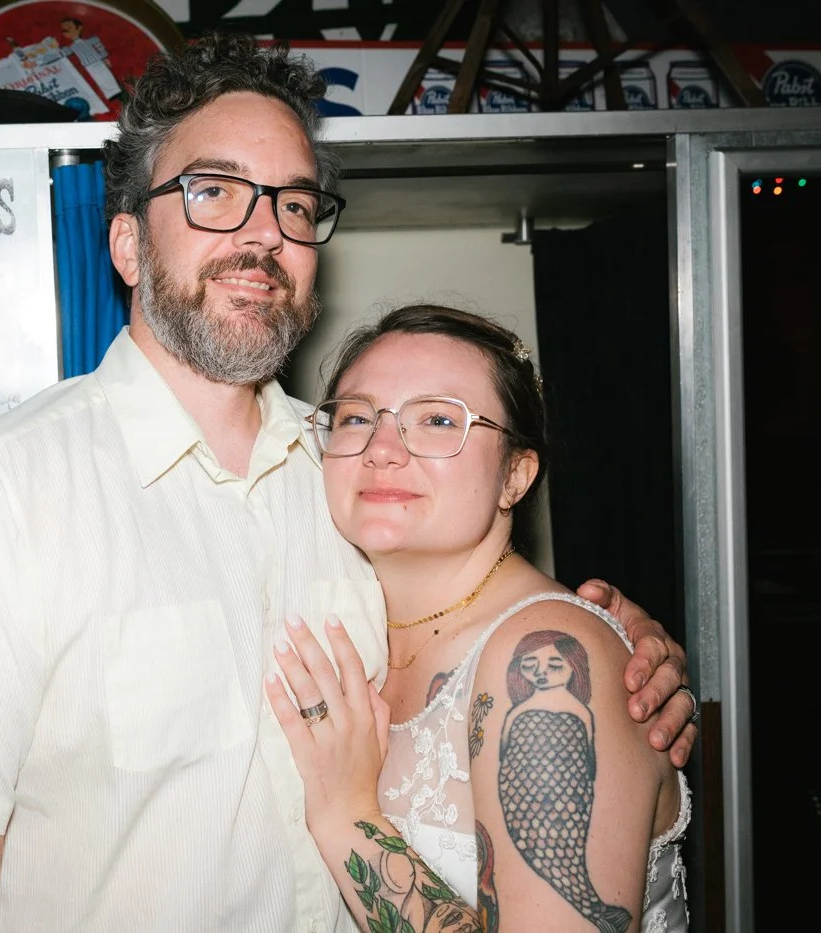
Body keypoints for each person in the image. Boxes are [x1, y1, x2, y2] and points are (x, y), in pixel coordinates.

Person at [0, 35, 696, 932]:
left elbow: (489, 638)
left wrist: (621, 658)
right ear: (127, 244)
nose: (262, 233)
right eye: (213, 193)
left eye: (293, 203)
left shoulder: (354, 478)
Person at [267, 305, 690, 932]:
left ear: (515, 475)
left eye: (438, 420)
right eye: (357, 418)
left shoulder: (545, 654)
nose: (383, 449)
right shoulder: (340, 618)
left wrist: (345, 814)